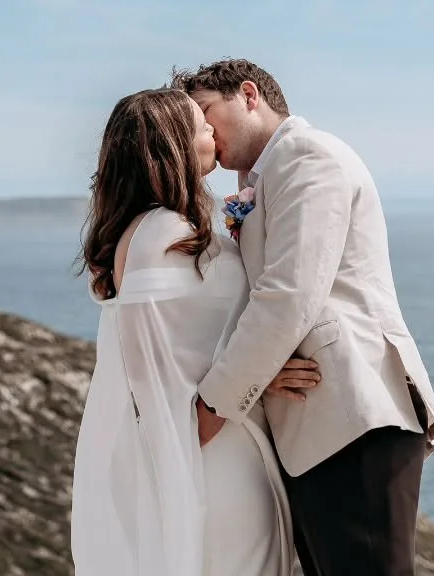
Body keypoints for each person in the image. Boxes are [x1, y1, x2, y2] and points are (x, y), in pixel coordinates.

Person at [174, 59, 434, 576]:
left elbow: (288, 295)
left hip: (352, 413)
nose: (205, 131)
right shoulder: (268, 175)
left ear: (249, 95)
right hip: (316, 425)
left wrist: (211, 412)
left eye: (208, 111)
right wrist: (262, 371)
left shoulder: (307, 156)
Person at [70, 87, 321, 576]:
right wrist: (256, 379)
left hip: (216, 439)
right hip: (214, 450)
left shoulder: (156, 227)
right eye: (199, 122)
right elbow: (154, 365)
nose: (211, 129)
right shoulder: (162, 233)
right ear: (172, 143)